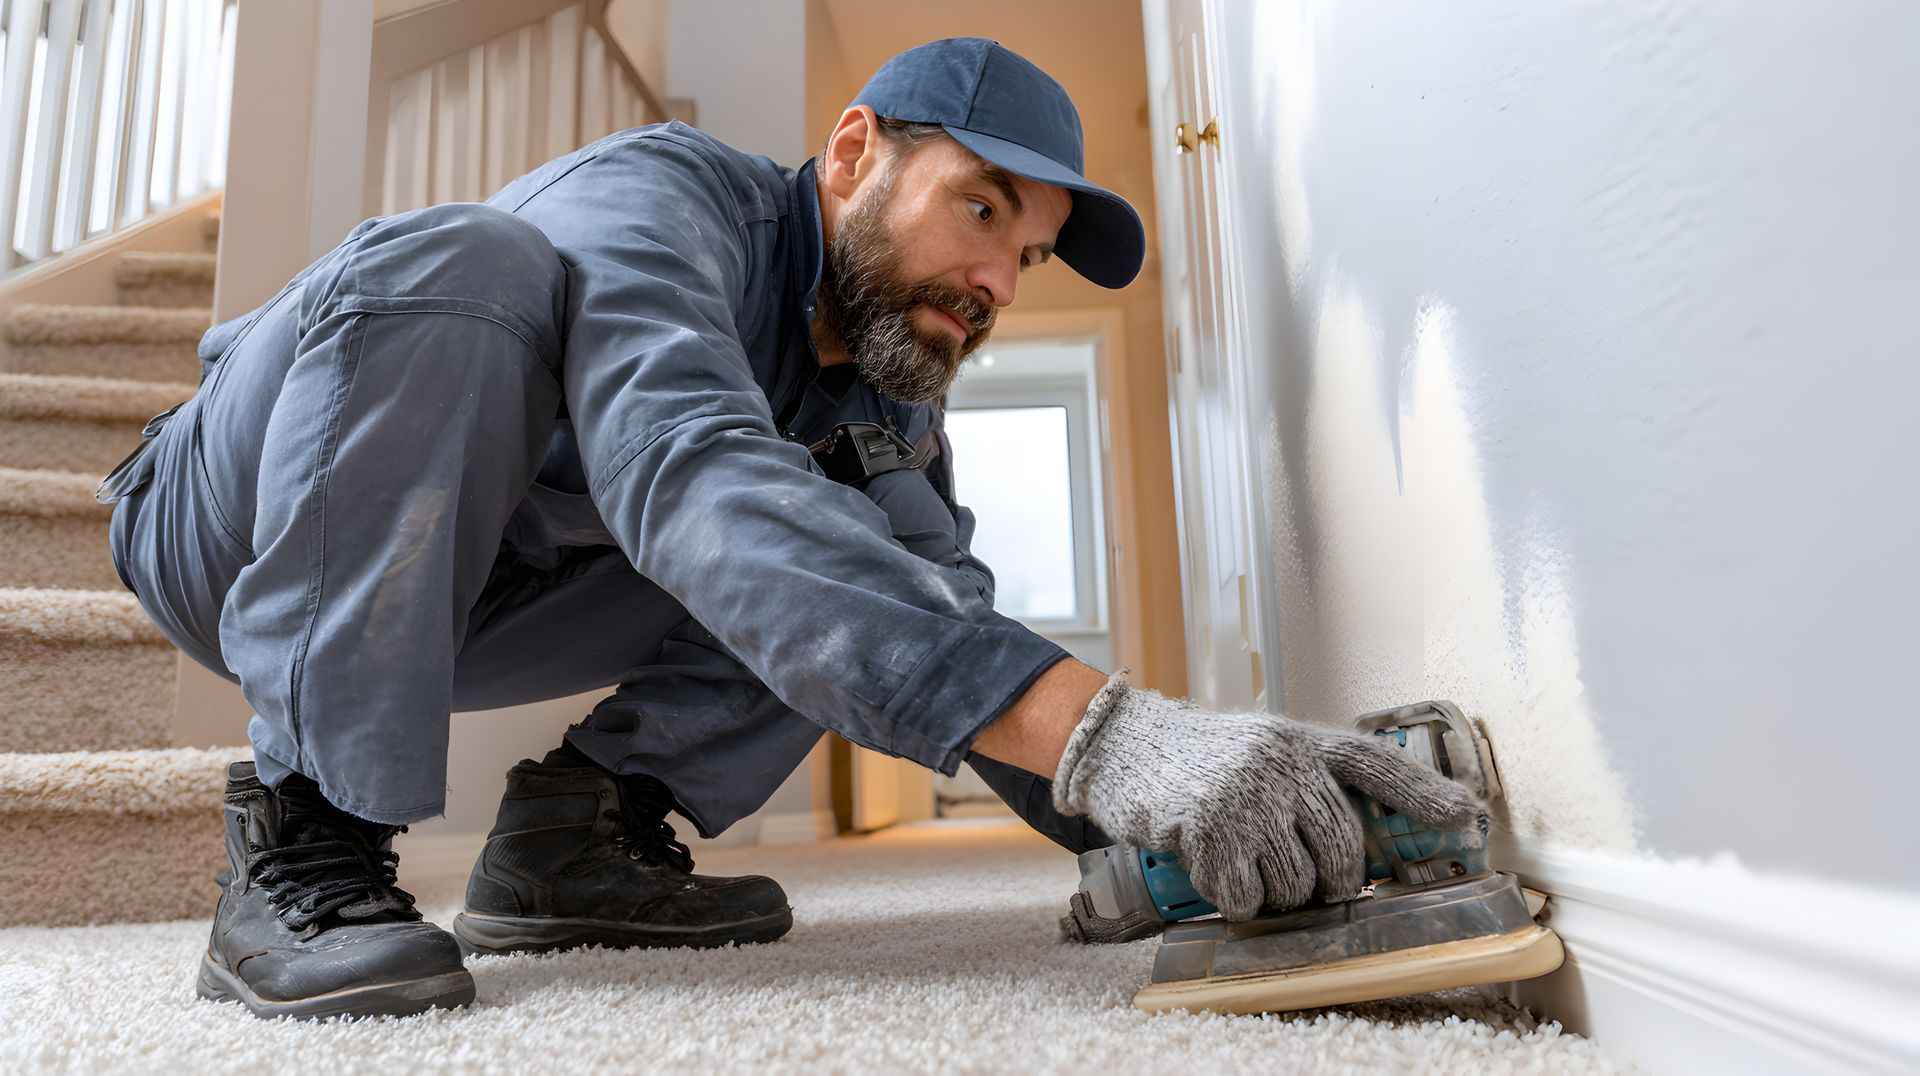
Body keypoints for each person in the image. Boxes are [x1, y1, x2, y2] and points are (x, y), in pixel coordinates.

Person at [101, 38, 1478, 1021]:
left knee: (851, 553)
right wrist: (1116, 741)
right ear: (855, 152)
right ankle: (304, 832)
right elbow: (685, 469)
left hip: (478, 598)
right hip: (237, 525)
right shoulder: (663, 200)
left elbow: (950, 621)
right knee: (472, 263)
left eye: (1029, 253)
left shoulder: (882, 395)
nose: (998, 278)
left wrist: (1161, 820)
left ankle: (577, 842)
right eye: (980, 209)